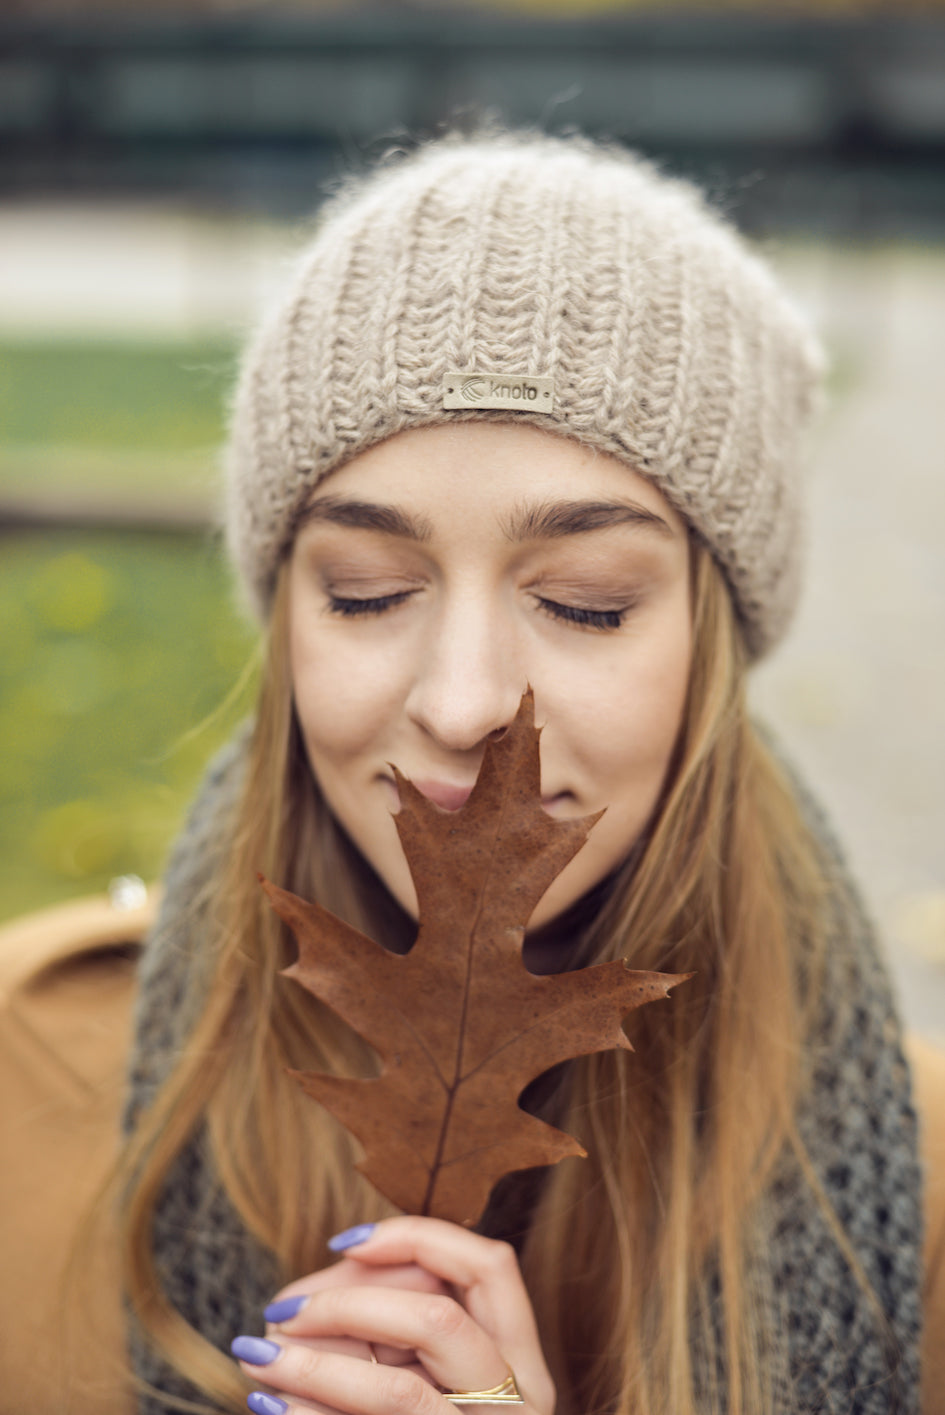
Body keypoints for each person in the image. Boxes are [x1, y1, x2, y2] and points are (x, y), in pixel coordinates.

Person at [3, 128, 942, 1415]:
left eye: (590, 603)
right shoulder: (23, 1086)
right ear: (282, 619)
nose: (461, 705)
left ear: (712, 648)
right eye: (368, 591)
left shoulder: (920, 1205)